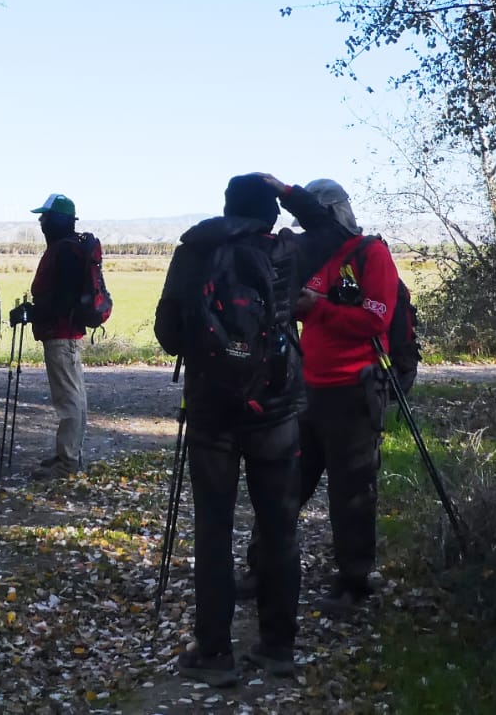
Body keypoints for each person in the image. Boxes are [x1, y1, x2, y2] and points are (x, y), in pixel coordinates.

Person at [153, 174, 307, 686]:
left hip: (212, 408)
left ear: (225, 206)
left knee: (214, 531)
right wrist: (291, 192)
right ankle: (278, 646)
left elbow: (169, 334)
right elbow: (332, 233)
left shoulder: (196, 249)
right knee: (279, 526)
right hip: (277, 406)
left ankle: (215, 651)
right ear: (273, 211)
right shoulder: (287, 249)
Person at [278, 177, 399, 612]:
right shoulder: (313, 257)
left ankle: (354, 581)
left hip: (353, 391)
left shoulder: (372, 254)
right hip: (308, 391)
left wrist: (319, 309)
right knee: (288, 485)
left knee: (352, 491)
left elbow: (376, 320)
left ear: (336, 214)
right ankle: (266, 566)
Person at [26, 192, 90, 479]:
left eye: (45, 217)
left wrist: (34, 312)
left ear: (56, 220)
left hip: (61, 333)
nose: (41, 221)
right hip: (66, 333)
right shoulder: (70, 248)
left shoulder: (63, 251)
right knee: (73, 395)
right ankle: (69, 454)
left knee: (68, 399)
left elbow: (62, 300)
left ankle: (68, 461)